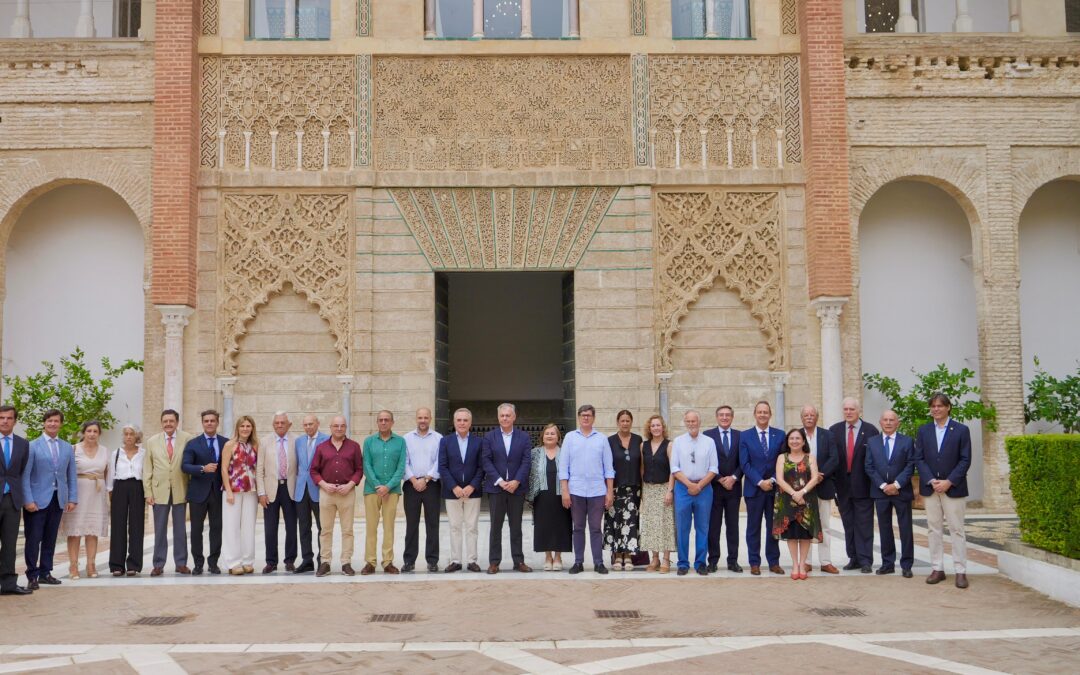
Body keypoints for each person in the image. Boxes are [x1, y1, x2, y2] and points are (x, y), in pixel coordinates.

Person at [915, 393, 973, 589]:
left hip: (953, 488)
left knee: (957, 529)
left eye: (940, 406)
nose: (936, 409)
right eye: (933, 406)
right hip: (931, 488)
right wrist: (931, 480)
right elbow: (919, 458)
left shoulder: (961, 430)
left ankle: (960, 571)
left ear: (948, 407)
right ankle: (937, 568)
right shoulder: (923, 431)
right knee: (934, 529)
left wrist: (949, 481)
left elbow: (965, 459)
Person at [22, 409, 77, 589]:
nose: (53, 424)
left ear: (61, 424)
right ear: (44, 423)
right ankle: (32, 575)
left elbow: (71, 476)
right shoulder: (32, 446)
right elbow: (25, 476)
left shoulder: (67, 447)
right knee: (33, 538)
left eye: (56, 421)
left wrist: (72, 498)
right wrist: (28, 499)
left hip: (58, 498)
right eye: (49, 421)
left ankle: (46, 572)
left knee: (50, 538)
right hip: (37, 500)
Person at [559, 404, 614, 575]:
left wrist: (609, 491)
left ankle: (598, 562)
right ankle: (578, 562)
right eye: (583, 415)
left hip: (597, 491)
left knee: (596, 528)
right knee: (578, 527)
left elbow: (608, 468)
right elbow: (563, 467)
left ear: (593, 418)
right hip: (576, 490)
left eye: (589, 415)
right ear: (578, 417)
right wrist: (565, 491)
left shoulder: (602, 439)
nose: (585, 418)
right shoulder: (570, 438)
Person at [828, 397, 879, 574]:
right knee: (848, 524)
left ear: (859, 411)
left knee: (864, 524)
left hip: (863, 486)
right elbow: (832, 460)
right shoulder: (834, 431)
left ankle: (866, 560)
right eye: (846, 409)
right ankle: (854, 558)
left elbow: (875, 459)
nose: (848, 412)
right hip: (842, 487)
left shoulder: (871, 431)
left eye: (852, 409)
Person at [482, 403, 532, 574]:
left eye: (508, 415)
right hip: (497, 489)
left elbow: (526, 461)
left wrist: (517, 481)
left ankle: (519, 561)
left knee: (516, 526)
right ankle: (494, 562)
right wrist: (500, 481)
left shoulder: (524, 437)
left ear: (514, 417)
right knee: (495, 527)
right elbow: (486, 461)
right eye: (502, 415)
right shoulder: (489, 437)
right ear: (498, 417)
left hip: (516, 489)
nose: (505, 418)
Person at [310, 416, 363, 577]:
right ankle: (325, 562)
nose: (339, 428)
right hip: (327, 493)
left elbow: (359, 470)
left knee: (347, 530)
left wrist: (350, 485)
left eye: (342, 426)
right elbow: (313, 470)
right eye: (336, 426)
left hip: (347, 493)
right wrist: (324, 485)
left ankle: (346, 562)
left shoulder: (354, 447)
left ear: (345, 427)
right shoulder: (321, 447)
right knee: (325, 530)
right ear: (330, 427)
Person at [143, 409, 194, 576]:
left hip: (181, 488)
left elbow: (191, 464)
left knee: (180, 529)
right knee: (159, 529)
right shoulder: (152, 441)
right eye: (165, 421)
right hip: (159, 490)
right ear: (161, 423)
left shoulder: (187, 439)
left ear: (177, 422)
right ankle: (158, 564)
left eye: (171, 421)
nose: (168, 424)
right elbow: (147, 468)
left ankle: (181, 563)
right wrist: (148, 492)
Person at [866, 410, 916, 579]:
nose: (888, 423)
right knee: (884, 528)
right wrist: (882, 485)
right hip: (880, 493)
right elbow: (869, 467)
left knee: (905, 529)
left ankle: (907, 564)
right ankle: (887, 563)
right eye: (885, 420)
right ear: (880, 422)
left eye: (891, 420)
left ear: (898, 423)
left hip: (901, 491)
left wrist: (896, 485)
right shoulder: (872, 442)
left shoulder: (907, 441)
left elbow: (910, 465)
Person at [739, 401, 785, 576]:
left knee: (774, 527)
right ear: (755, 414)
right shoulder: (745, 436)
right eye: (759, 412)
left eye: (765, 412)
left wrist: (772, 480)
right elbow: (745, 463)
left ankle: (773, 562)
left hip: (774, 489)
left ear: (770, 414)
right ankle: (754, 562)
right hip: (754, 489)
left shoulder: (780, 435)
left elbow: (781, 461)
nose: (763, 415)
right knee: (753, 527)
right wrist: (760, 481)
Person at [670, 410, 718, 576]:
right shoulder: (678, 442)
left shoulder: (709, 442)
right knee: (683, 527)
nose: (691, 424)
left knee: (702, 527)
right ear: (685, 422)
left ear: (699, 422)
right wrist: (689, 484)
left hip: (704, 488)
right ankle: (683, 563)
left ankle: (700, 563)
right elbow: (674, 467)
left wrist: (699, 485)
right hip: (683, 488)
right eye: (688, 421)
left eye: (694, 421)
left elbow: (713, 468)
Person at [181, 409, 227, 575]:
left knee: (216, 529)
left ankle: (213, 563)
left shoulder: (225, 442)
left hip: (218, 493)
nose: (209, 423)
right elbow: (185, 466)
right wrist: (202, 468)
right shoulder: (193, 443)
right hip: (198, 493)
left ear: (217, 422)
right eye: (206, 421)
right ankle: (198, 563)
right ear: (202, 423)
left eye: (212, 421)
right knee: (196, 530)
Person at [438, 408, 484, 573]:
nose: (462, 423)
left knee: (472, 527)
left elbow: (481, 467)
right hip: (452, 492)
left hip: (473, 491)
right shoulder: (445, 441)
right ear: (454, 422)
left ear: (470, 423)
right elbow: (442, 466)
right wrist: (454, 487)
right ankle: (456, 560)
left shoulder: (479, 442)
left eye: (465, 420)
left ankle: (472, 560)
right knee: (454, 527)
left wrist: (472, 486)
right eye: (459, 420)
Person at [773, 428, 821, 580]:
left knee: (805, 534)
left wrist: (802, 492)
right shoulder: (782, 457)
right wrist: (794, 494)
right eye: (791, 438)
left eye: (798, 438)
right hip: (787, 500)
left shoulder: (810, 457)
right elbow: (779, 479)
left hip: (807, 500)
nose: (794, 441)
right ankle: (795, 564)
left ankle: (802, 564)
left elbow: (815, 478)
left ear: (803, 441)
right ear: (787, 441)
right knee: (792, 535)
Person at [63, 420, 110, 579]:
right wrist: (69, 497)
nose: (91, 434)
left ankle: (91, 564)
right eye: (89, 431)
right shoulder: (73, 449)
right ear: (84, 432)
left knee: (92, 530)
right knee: (75, 531)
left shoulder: (104, 451)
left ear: (99, 434)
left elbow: (108, 474)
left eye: (95, 431)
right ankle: (73, 565)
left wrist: (109, 494)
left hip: (97, 494)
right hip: (77, 494)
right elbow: (66, 473)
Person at [362, 410, 406, 575]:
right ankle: (370, 562)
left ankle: (387, 562)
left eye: (386, 420)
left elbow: (401, 467)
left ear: (392, 422)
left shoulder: (400, 442)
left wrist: (388, 486)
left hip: (392, 491)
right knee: (371, 527)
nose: (383, 422)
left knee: (389, 527)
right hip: (372, 491)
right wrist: (378, 486)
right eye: (380, 420)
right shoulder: (369, 442)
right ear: (377, 422)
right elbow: (367, 465)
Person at [800, 405, 840, 575]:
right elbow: (791, 457)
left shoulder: (828, 435)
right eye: (806, 415)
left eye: (812, 414)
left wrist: (819, 475)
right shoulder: (796, 436)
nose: (809, 417)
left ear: (817, 417)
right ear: (802, 418)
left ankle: (825, 561)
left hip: (823, 485)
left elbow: (834, 458)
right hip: (803, 488)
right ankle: (806, 561)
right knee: (806, 525)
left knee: (824, 525)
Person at [703, 405, 743, 573]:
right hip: (714, 487)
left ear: (732, 417)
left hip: (734, 488)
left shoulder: (741, 436)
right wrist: (719, 478)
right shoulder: (707, 436)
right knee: (714, 526)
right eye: (721, 415)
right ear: (716, 417)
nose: (725, 417)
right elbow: (704, 461)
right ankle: (712, 560)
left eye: (728, 415)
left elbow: (744, 461)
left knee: (733, 526)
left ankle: (733, 560)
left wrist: (734, 477)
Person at [256, 411, 297, 573]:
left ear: (289, 424)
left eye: (282, 422)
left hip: (290, 488)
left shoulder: (297, 441)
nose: (279, 425)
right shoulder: (264, 442)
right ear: (273, 425)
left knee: (292, 526)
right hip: (270, 490)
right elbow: (259, 470)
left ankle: (290, 560)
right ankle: (271, 562)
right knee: (270, 527)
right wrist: (261, 492)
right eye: (277, 423)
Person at [402, 407, 442, 573]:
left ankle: (432, 561)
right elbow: (403, 462)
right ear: (416, 419)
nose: (423, 420)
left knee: (432, 524)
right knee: (411, 524)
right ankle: (409, 561)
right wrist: (413, 480)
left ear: (430, 418)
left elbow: (440, 462)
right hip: (411, 485)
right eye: (420, 417)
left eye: (426, 417)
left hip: (431, 484)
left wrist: (426, 479)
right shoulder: (406, 439)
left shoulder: (439, 438)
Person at [528, 423, 571, 571]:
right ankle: (547, 556)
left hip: (562, 494)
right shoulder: (534, 453)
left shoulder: (565, 452)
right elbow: (530, 474)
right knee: (544, 525)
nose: (550, 436)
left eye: (553, 433)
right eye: (547, 433)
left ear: (558, 436)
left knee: (561, 524)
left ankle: (558, 556)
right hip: (542, 495)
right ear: (542, 436)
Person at [220, 416, 259, 575]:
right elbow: (223, 469)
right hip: (233, 490)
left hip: (251, 490)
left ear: (252, 428)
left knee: (249, 526)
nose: (245, 428)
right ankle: (233, 562)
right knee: (232, 526)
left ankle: (247, 560)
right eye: (242, 426)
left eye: (248, 426)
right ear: (237, 428)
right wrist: (228, 491)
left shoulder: (255, 445)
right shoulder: (230, 445)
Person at [0, 405, 32, 595]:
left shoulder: (22, 444)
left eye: (9, 418)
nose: (4, 421)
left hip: (12, 500)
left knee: (10, 544)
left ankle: (9, 585)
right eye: (1, 418)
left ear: (14, 421)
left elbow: (20, 472)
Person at [638, 414, 676, 573]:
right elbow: (642, 469)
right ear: (649, 428)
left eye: (658, 425)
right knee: (651, 525)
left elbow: (673, 470)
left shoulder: (669, 445)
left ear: (663, 427)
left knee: (666, 524)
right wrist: (642, 492)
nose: (656, 428)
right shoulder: (643, 446)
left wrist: (670, 491)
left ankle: (666, 559)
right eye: (653, 425)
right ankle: (654, 558)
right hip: (649, 488)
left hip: (664, 488)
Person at [107, 424, 145, 577]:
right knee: (118, 526)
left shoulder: (143, 453)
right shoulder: (116, 453)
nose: (128, 436)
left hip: (137, 486)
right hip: (120, 487)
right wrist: (110, 491)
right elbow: (110, 473)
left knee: (136, 526)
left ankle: (133, 565)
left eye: (131, 434)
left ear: (137, 436)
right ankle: (117, 565)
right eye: (126, 434)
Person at [605, 410, 642, 570]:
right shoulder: (610, 441)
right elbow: (606, 466)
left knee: (631, 522)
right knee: (615, 522)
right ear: (617, 422)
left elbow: (642, 465)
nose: (625, 423)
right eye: (622, 420)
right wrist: (607, 490)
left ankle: (628, 554)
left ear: (631, 422)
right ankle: (617, 555)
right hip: (615, 488)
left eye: (628, 420)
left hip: (634, 488)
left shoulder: (638, 440)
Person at [293, 414, 329, 574]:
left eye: (311, 424)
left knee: (323, 527)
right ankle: (307, 560)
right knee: (304, 527)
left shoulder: (326, 440)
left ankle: (323, 560)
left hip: (319, 489)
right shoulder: (299, 441)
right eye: (305, 424)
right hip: (301, 490)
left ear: (318, 423)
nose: (308, 427)